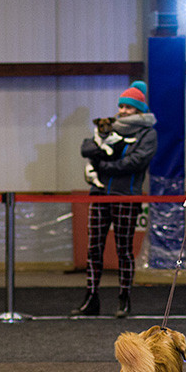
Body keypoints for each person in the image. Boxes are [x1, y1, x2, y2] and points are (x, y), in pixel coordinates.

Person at [71, 81, 157, 317]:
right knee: (93, 249)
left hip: (126, 196)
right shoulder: (110, 127)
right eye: (121, 106)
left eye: (128, 107)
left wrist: (103, 165)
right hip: (100, 195)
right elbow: (88, 146)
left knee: (124, 250)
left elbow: (136, 162)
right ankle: (91, 298)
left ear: (139, 110)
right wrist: (98, 155)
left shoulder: (147, 133)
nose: (123, 111)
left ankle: (124, 299)